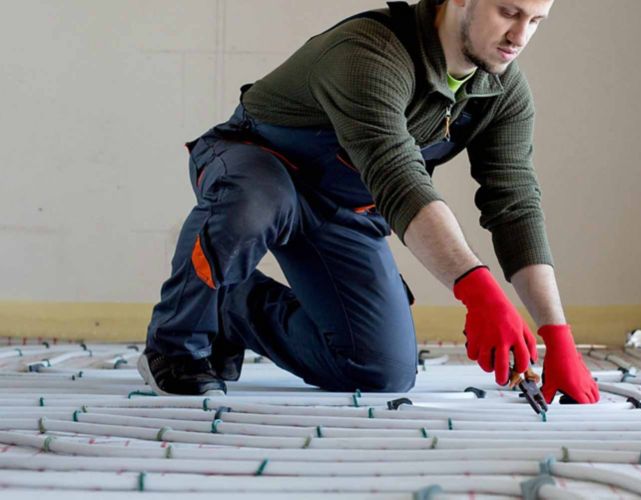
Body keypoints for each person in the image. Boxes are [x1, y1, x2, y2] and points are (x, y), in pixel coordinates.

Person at [138, 0, 599, 405]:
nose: (520, 36)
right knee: (251, 208)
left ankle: (230, 307)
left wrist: (556, 334)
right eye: (509, 12)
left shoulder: (502, 94)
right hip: (258, 163)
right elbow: (397, 176)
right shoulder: (369, 52)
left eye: (536, 21)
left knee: (379, 370)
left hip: (343, 210)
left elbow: (514, 204)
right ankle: (174, 345)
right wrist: (477, 292)